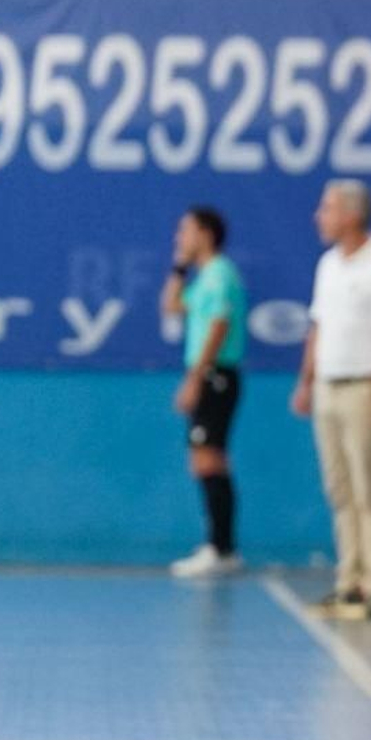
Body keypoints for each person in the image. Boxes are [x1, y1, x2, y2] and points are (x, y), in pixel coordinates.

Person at [291, 180, 371, 621]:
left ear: (352, 214)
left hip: (365, 387)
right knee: (340, 489)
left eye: (327, 208)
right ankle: (349, 582)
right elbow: (317, 327)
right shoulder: (328, 266)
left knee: (368, 490)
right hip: (328, 387)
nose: (319, 216)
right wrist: (306, 381)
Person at [162, 206, 248, 578]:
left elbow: (218, 325)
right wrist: (179, 267)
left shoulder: (220, 275)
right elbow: (171, 305)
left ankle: (221, 547)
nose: (179, 236)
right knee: (205, 457)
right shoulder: (202, 278)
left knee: (208, 458)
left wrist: (196, 377)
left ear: (207, 234)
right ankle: (221, 545)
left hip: (215, 375)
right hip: (209, 374)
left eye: (186, 230)